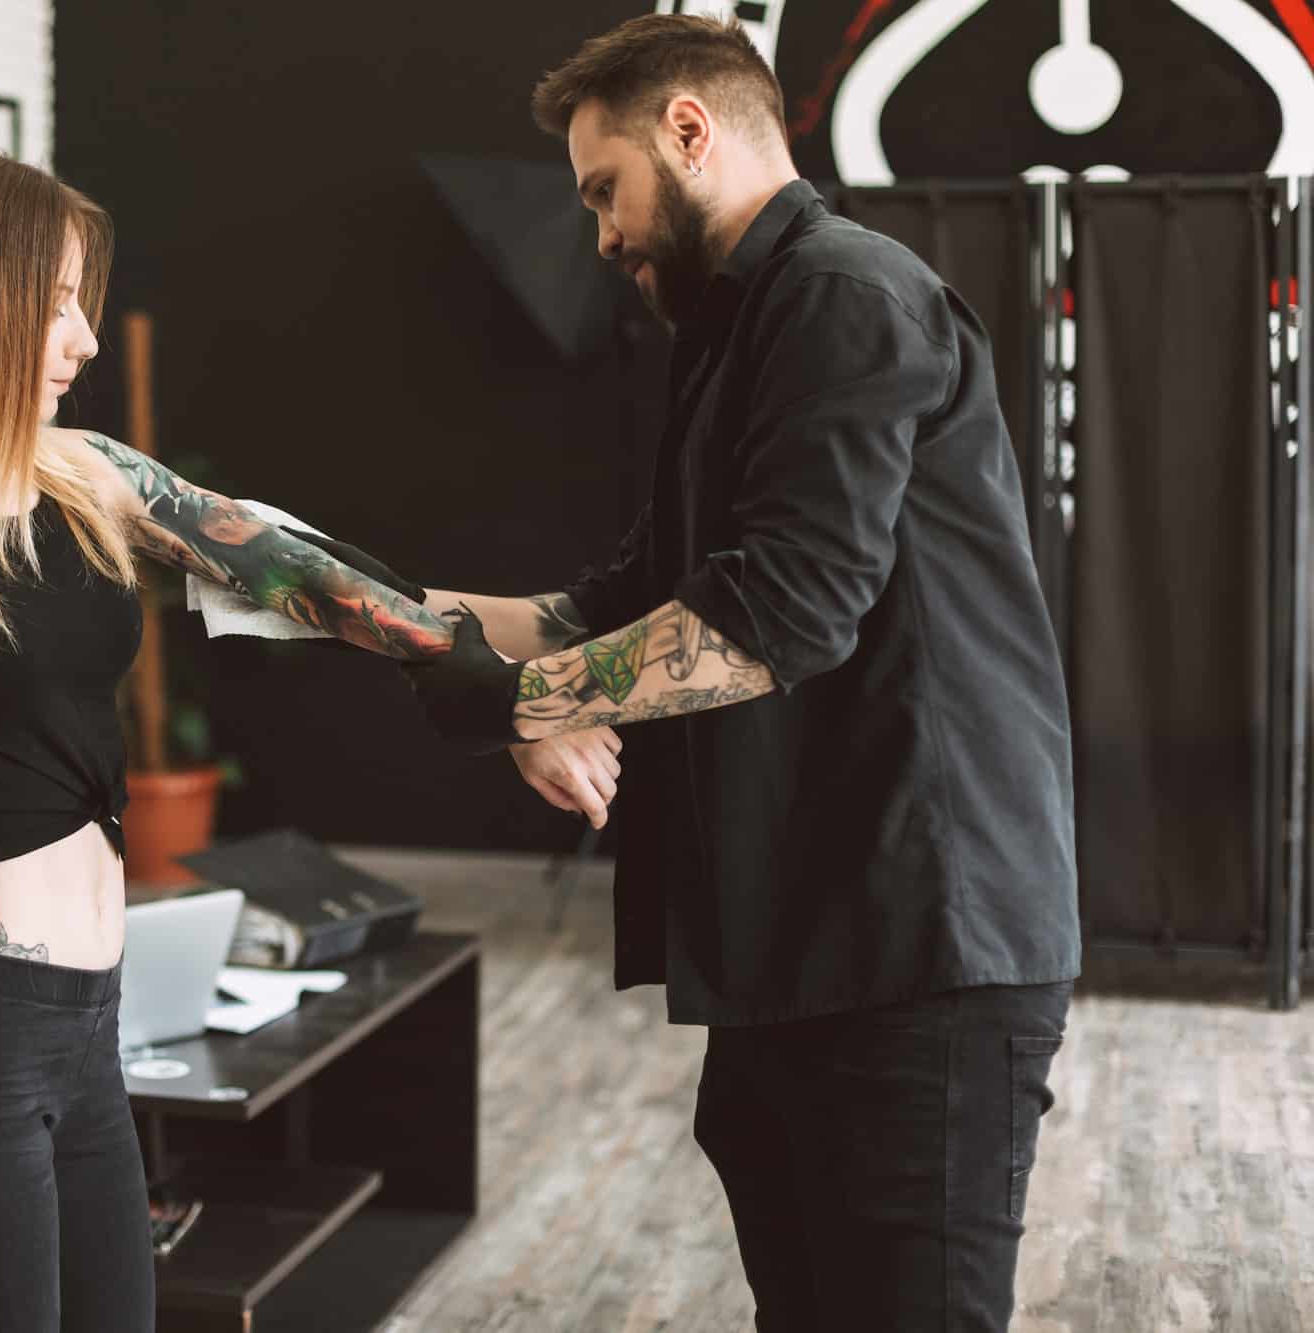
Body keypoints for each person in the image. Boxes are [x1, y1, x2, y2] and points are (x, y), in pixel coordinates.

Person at [0, 142, 620, 1332]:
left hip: (94, 1025)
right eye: (51, 302)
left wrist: (527, 677)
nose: (82, 339)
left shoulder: (82, 477)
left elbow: (300, 572)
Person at [320, 15, 1081, 1331]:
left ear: (690, 128)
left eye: (602, 188)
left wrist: (519, 704)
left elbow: (780, 615)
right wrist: (364, 608)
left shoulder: (849, 295)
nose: (602, 234)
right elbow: (607, 606)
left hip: (925, 953)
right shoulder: (740, 331)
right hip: (805, 943)